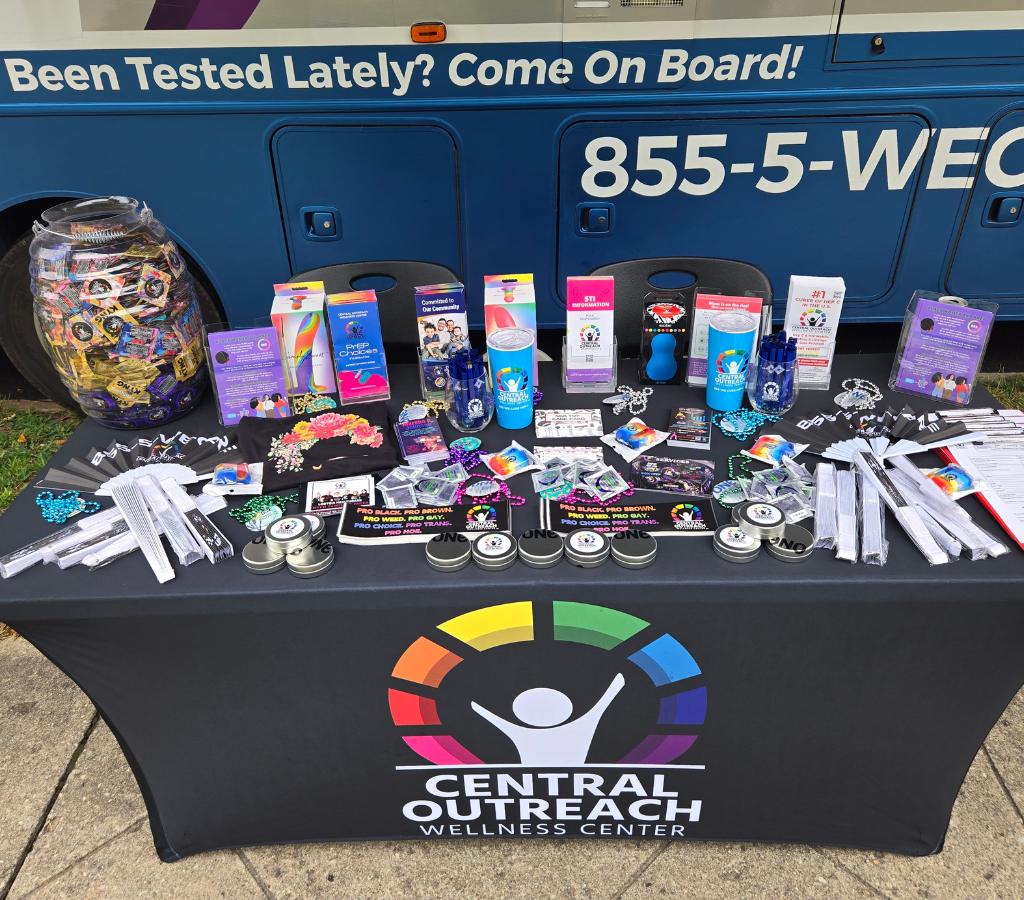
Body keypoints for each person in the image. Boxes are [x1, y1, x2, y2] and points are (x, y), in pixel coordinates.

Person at [471, 674, 625, 765]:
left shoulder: (520, 732)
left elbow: (486, 714)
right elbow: (610, 693)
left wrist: (477, 706)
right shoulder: (587, 720)